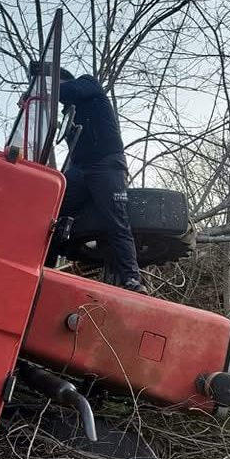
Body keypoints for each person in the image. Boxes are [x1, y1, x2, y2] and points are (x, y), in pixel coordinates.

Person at [54, 68, 145, 293]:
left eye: (54, 83)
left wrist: (42, 89)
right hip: (80, 169)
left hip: (106, 164)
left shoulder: (88, 85)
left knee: (116, 218)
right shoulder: (67, 114)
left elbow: (68, 90)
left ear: (63, 80)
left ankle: (132, 278)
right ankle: (45, 264)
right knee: (54, 208)